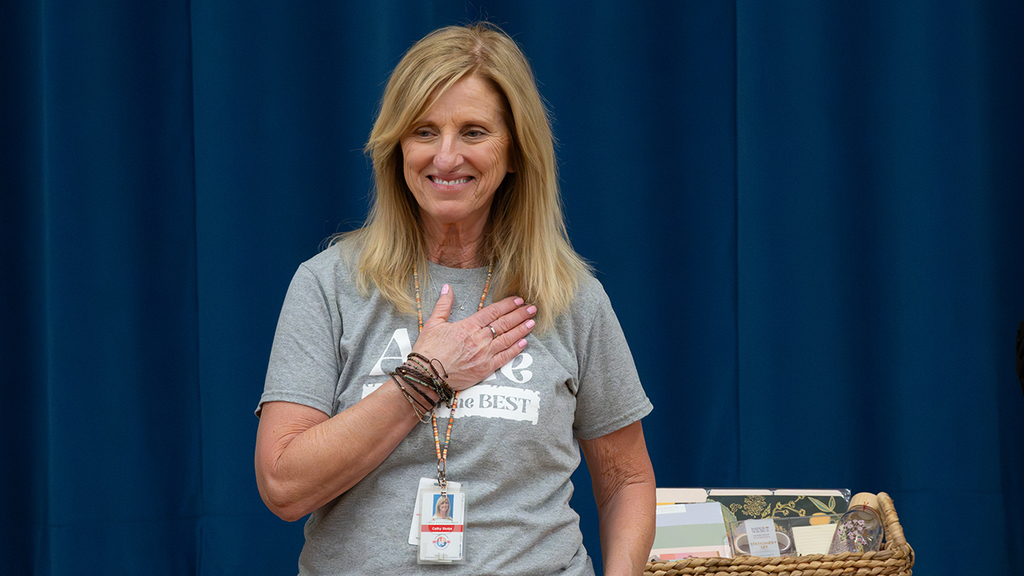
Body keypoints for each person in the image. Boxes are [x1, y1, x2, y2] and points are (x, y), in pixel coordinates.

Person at [254, 22, 655, 576]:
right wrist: (425, 377)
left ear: (514, 151)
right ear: (397, 147)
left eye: (473, 132)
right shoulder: (329, 285)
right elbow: (283, 485)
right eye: (424, 131)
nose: (446, 157)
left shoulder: (571, 297)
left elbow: (626, 479)